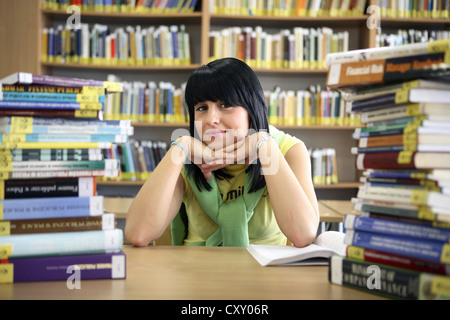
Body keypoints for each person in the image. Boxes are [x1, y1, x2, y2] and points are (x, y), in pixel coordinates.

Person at [125, 57, 319, 247]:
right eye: (202, 108)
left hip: (264, 275)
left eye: (225, 105)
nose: (211, 119)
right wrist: (182, 145)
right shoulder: (187, 158)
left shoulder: (288, 150)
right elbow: (138, 233)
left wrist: (263, 143)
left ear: (252, 107)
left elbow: (303, 234)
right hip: (195, 273)